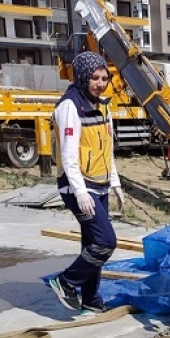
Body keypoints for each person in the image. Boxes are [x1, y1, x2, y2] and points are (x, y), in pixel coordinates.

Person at [48, 51, 125, 314]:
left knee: (91, 243)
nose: (100, 83)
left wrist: (115, 183)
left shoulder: (102, 105)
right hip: (78, 186)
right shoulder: (70, 106)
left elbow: (107, 148)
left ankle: (90, 298)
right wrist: (80, 192)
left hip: (100, 182)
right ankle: (65, 281)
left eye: (105, 78)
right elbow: (69, 156)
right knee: (105, 241)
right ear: (82, 76)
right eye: (95, 78)